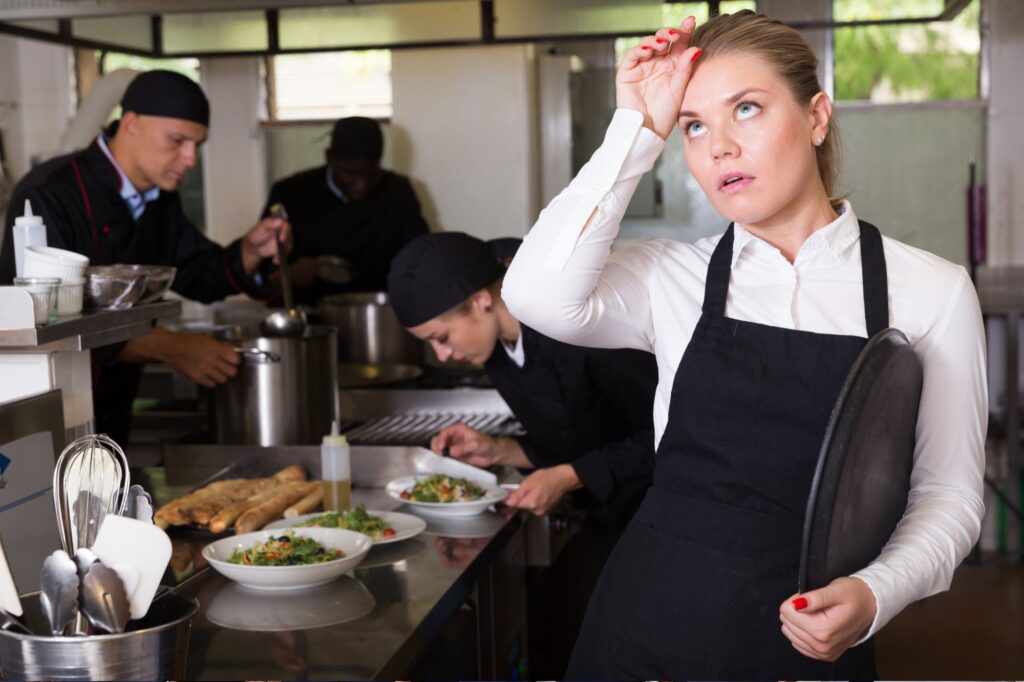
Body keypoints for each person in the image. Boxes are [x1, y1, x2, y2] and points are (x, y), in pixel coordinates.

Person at [502, 10, 986, 680]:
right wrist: (638, 127)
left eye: (747, 109)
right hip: (642, 629)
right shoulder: (672, 276)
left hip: (810, 641)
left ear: (817, 118)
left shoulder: (932, 290)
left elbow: (950, 496)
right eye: (695, 125)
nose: (718, 146)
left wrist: (878, 593)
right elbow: (533, 295)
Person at [0, 70, 290, 444]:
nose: (189, 159)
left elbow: (198, 274)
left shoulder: (158, 198)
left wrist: (252, 249)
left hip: (112, 406)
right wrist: (169, 347)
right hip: (44, 407)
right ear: (132, 123)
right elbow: (37, 323)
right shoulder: (51, 193)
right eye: (177, 141)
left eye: (196, 145)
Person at [387, 232, 658, 553]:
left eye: (442, 338)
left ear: (480, 300)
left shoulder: (583, 329)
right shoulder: (497, 350)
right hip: (609, 521)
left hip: (665, 515)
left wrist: (570, 476)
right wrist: (498, 450)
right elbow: (571, 435)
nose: (442, 355)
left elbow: (673, 433)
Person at [264, 116, 428, 303]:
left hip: (378, 316)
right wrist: (286, 274)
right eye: (350, 174)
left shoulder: (397, 193)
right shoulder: (291, 194)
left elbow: (421, 259)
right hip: (309, 319)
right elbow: (262, 271)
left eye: (371, 174)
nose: (361, 185)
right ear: (329, 158)